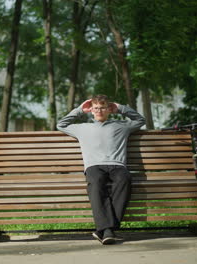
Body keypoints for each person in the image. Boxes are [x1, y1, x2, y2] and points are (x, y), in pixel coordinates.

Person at [57, 94, 145, 245]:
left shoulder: (122, 126)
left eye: (103, 108)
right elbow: (61, 124)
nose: (99, 111)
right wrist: (79, 110)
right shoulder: (82, 128)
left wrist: (121, 108)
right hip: (94, 166)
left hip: (117, 165)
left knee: (125, 180)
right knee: (96, 184)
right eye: (96, 108)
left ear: (109, 109)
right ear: (91, 110)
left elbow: (140, 120)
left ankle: (103, 230)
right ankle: (108, 230)